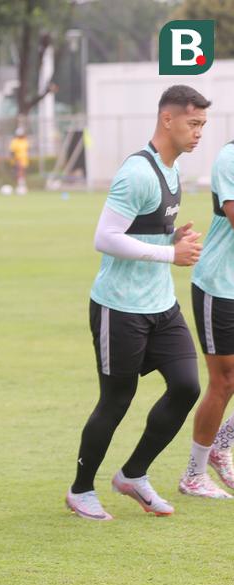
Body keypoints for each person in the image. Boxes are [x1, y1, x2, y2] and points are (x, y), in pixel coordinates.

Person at [69, 85, 208, 519]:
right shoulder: (138, 172)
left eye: (203, 125)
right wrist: (170, 254)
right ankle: (81, 489)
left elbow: (141, 230)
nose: (199, 133)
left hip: (161, 306)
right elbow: (105, 238)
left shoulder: (172, 169)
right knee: (117, 399)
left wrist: (172, 237)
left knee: (186, 386)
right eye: (193, 123)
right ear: (168, 119)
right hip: (119, 307)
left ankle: (133, 474)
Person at [181, 136, 234, 497]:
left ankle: (221, 444)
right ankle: (194, 474)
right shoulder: (229, 157)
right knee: (225, 380)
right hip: (221, 285)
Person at [9, 128, 29, 195]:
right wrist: (15, 160)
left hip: (25, 160)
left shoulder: (25, 141)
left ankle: (22, 186)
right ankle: (19, 187)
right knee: (19, 173)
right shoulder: (14, 141)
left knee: (23, 174)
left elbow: (26, 150)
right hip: (17, 160)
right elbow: (12, 152)